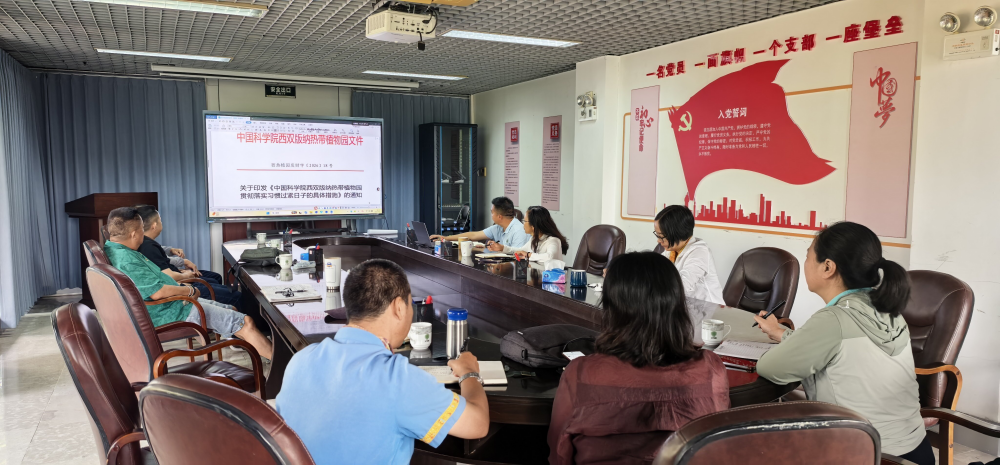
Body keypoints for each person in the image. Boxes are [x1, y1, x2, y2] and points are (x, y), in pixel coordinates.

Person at [276, 259, 489, 464]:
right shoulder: (398, 379)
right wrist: (470, 373)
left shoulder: (301, 360)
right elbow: (477, 424)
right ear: (399, 307)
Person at [754, 222, 929, 464]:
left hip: (864, 453)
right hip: (915, 451)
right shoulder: (888, 310)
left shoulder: (833, 319)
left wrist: (780, 345)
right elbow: (842, 347)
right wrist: (781, 333)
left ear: (828, 267)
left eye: (808, 257)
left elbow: (770, 368)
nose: (805, 264)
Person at [548, 252, 730, 464]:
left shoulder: (581, 373)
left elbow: (559, 453)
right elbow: (717, 447)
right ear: (677, 305)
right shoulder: (711, 368)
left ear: (612, 307)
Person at [103, 207, 273, 359]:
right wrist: (189, 291)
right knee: (246, 322)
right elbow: (158, 292)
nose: (143, 233)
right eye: (141, 230)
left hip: (173, 304)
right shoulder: (127, 260)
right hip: (170, 311)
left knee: (233, 310)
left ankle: (260, 353)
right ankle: (283, 369)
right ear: (133, 234)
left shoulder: (117, 249)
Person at [133, 205, 241, 307]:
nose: (162, 223)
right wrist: (187, 275)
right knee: (237, 297)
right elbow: (168, 276)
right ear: (154, 225)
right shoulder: (149, 247)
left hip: (177, 281)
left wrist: (180, 272)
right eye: (160, 220)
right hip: (180, 288)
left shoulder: (144, 243)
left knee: (215, 279)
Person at [654, 205, 724, 304]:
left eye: (661, 236)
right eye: (657, 235)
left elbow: (682, 287)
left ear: (677, 233)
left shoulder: (700, 252)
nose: (658, 241)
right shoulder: (672, 251)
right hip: (686, 308)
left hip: (708, 312)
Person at [430, 196, 529, 249]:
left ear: (499, 216)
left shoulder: (518, 230)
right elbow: (473, 235)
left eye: (492, 213)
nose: (491, 215)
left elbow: (518, 256)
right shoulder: (498, 227)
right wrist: (445, 238)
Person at [494, 205, 569, 262]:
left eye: (525, 221)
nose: (523, 223)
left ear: (533, 226)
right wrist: (502, 248)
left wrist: (528, 255)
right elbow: (520, 250)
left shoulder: (553, 240)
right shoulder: (533, 239)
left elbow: (549, 257)